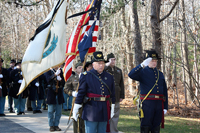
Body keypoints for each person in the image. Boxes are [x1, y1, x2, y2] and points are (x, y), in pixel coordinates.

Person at [73, 51, 116, 133]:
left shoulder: (109, 76)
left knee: (102, 131)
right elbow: (81, 92)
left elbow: (113, 93)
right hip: (91, 109)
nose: (101, 65)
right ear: (93, 64)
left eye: (103, 63)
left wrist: (113, 107)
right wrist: (76, 108)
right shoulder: (86, 76)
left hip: (104, 108)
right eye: (99, 63)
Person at [128, 50, 168, 133]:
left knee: (156, 126)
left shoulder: (160, 74)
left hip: (158, 104)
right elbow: (131, 74)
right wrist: (142, 65)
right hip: (147, 104)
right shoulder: (142, 71)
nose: (154, 63)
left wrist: (165, 106)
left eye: (155, 61)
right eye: (152, 61)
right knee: (146, 125)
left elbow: (164, 91)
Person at [105, 53, 125, 133]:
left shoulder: (118, 70)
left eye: (114, 59)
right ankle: (106, 130)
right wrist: (107, 65)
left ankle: (113, 130)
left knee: (115, 115)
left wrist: (122, 96)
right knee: (107, 114)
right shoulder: (105, 69)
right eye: (111, 59)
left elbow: (121, 84)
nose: (113, 61)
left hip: (116, 95)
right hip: (107, 95)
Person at [64, 61, 84, 133]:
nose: (81, 69)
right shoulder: (72, 78)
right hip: (76, 99)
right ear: (75, 69)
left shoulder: (86, 76)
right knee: (75, 118)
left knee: (84, 119)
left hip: (85, 100)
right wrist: (72, 93)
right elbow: (66, 88)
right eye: (79, 68)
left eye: (82, 68)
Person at [45, 66, 65, 132]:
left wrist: (60, 79)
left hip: (59, 93)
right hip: (51, 93)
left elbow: (64, 83)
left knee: (58, 112)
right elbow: (47, 79)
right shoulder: (49, 71)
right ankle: (51, 126)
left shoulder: (60, 71)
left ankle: (56, 125)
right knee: (50, 111)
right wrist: (55, 75)